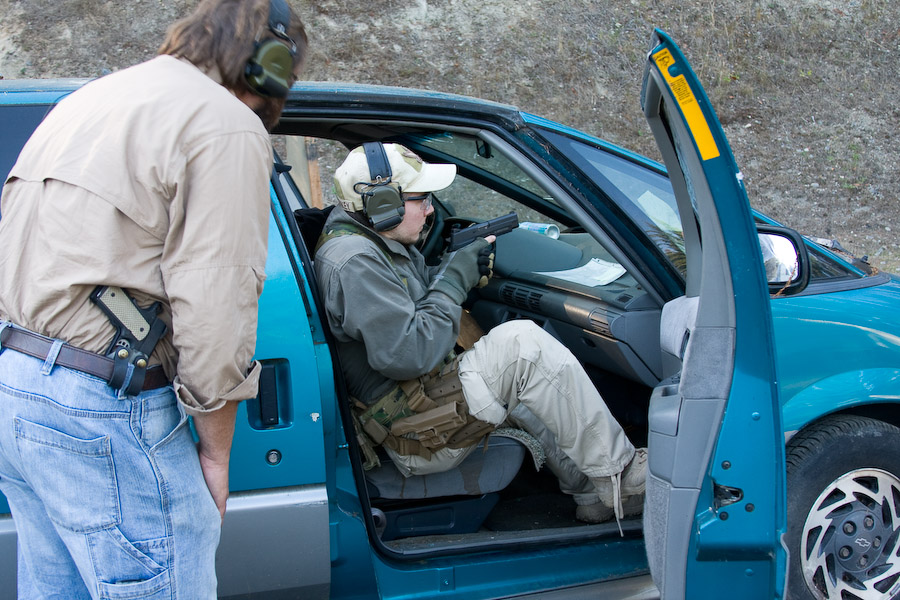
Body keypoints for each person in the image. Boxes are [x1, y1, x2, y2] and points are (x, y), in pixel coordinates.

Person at [0, 0, 307, 597]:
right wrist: (215, 456)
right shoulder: (223, 123)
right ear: (270, 63)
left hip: (17, 382)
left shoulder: (88, 101)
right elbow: (217, 306)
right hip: (100, 402)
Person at [314, 142, 647, 531]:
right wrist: (454, 279)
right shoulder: (354, 260)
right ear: (382, 204)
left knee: (523, 378)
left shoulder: (375, 240)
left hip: (416, 403)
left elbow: (405, 302)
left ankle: (593, 493)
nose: (430, 209)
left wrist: (455, 272)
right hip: (414, 431)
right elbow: (408, 354)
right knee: (523, 347)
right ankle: (621, 476)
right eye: (421, 199)